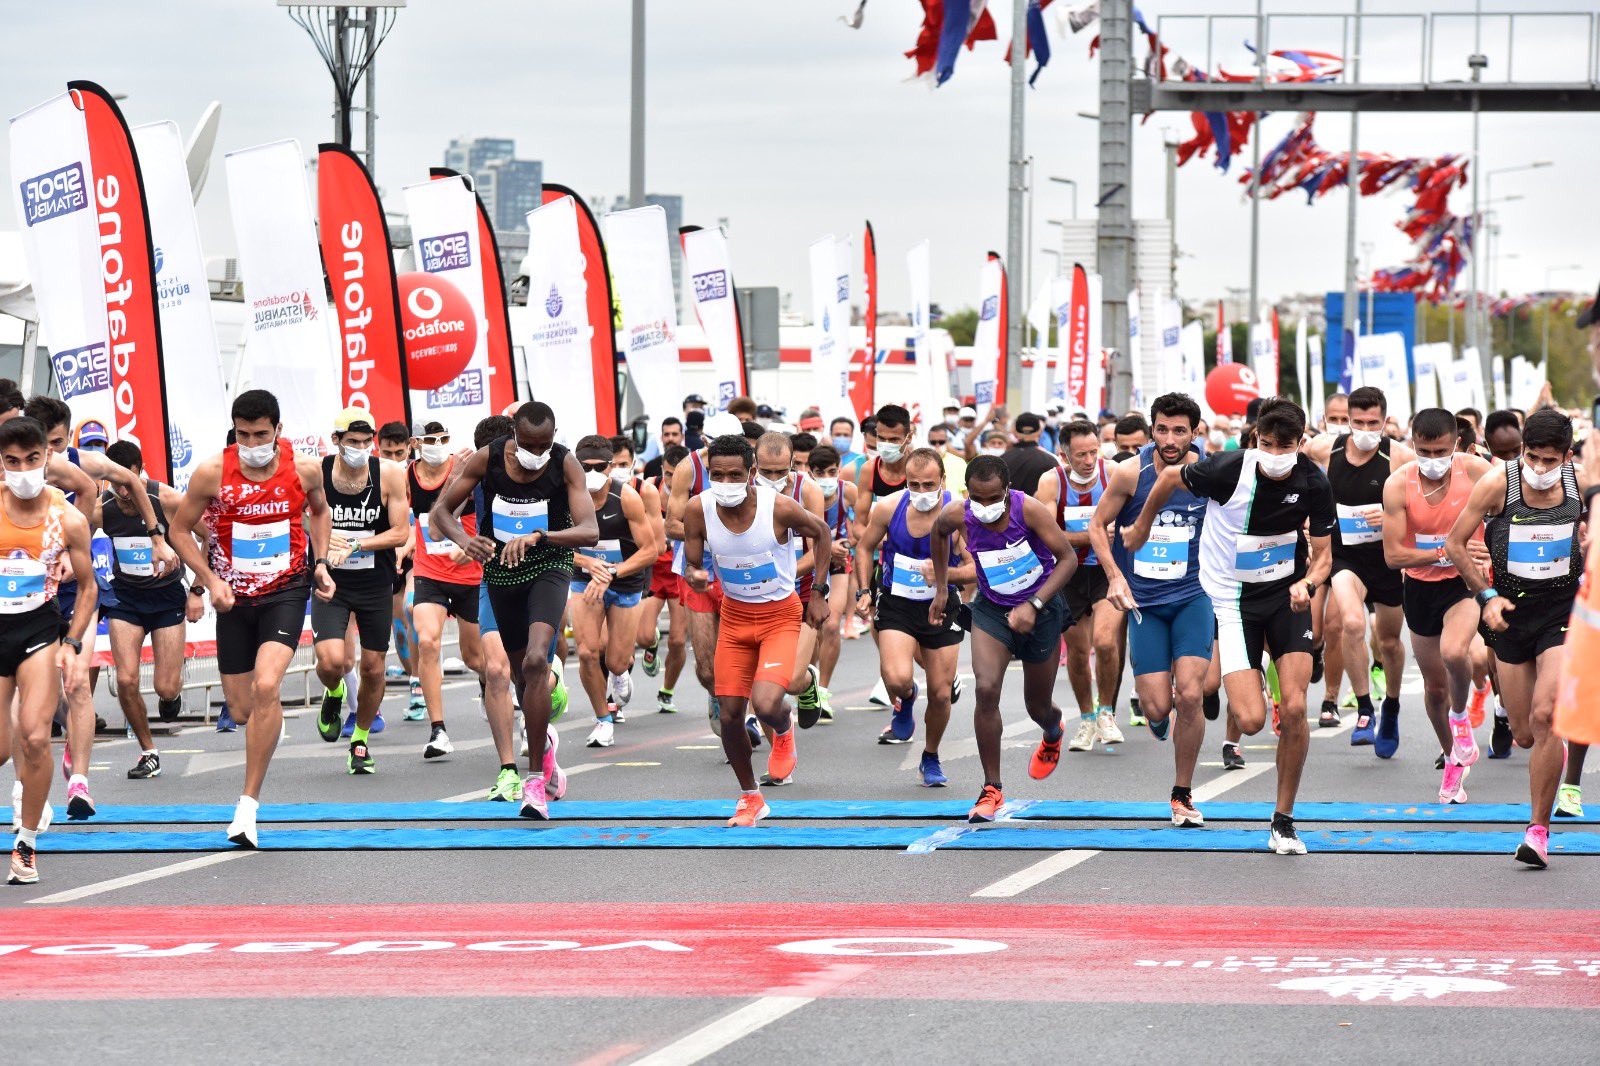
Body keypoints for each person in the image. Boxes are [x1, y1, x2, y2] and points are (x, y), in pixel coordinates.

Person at [1125, 398, 1334, 855]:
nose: (1274, 454)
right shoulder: (1227, 469)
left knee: (1296, 708)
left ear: (1301, 444)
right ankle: (1246, 674)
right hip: (1233, 601)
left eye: (1284, 447)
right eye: (1266, 444)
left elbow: (1324, 556)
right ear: (1255, 439)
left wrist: (1309, 582)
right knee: (1253, 721)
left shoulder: (1314, 480)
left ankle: (1283, 820)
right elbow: (1165, 478)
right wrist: (1141, 528)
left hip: (1286, 598)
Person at [167, 389, 335, 847]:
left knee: (266, 686)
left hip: (285, 589)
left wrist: (319, 563)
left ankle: (246, 808)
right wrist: (207, 579)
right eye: (243, 434)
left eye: (261, 433)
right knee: (243, 710)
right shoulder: (212, 473)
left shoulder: (303, 469)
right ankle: (267, 722)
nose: (252, 442)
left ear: (278, 430)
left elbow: (319, 513)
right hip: (233, 599)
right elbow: (178, 530)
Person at [431, 401, 598, 820]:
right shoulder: (489, 458)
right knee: (524, 675)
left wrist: (544, 536)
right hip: (501, 571)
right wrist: (467, 542)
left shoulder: (566, 463)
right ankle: (545, 754)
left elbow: (590, 530)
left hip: (548, 565)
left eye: (545, 446)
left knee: (539, 660)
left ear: (554, 437)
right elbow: (441, 513)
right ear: (514, 436)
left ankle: (534, 783)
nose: (536, 455)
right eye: (528, 445)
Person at [20, 395, 173, 819]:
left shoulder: (83, 466)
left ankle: (80, 784)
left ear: (67, 439)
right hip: (28, 592)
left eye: (54, 443)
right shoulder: (16, 470)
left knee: (78, 684)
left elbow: (137, 483)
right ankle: (60, 751)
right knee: (43, 696)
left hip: (75, 589)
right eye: (41, 444)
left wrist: (157, 535)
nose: (47, 454)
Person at [1447, 409, 1589, 869]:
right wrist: (1486, 595)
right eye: (1533, 458)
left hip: (1562, 614)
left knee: (1546, 716)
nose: (1540, 469)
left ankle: (1538, 830)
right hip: (1508, 612)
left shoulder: (1581, 486)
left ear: (1566, 456)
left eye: (1550, 460)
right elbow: (1454, 544)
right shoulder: (1498, 482)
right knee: (1527, 733)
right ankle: (1549, 755)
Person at [681, 434, 832, 826]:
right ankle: (751, 797)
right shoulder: (698, 509)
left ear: (750, 473)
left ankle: (783, 730)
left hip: (780, 615)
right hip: (735, 619)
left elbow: (823, 533)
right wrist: (695, 576)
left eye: (735, 474)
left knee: (765, 704)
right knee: (730, 715)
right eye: (717, 475)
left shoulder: (779, 507)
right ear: (708, 473)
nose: (726, 482)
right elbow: (692, 564)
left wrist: (818, 593)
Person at [1092, 392, 1219, 827]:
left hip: (1193, 597)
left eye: (1179, 430)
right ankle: (1156, 713)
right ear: (1151, 430)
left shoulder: (1211, 473)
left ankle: (1182, 793)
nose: (1169, 438)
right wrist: (1114, 575)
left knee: (1190, 694)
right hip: (1145, 603)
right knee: (1157, 708)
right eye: (1162, 429)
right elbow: (1096, 525)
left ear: (1195, 433)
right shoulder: (1131, 473)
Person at [930, 455, 1077, 823]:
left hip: (1041, 609)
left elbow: (1068, 559)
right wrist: (942, 588)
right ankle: (991, 788)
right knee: (986, 688)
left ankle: (1052, 729)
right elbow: (937, 534)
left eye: (993, 498)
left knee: (1037, 706)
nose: (984, 506)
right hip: (992, 609)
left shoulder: (1028, 510)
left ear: (1007, 490)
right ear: (967, 493)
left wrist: (1035, 603)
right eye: (977, 498)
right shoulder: (956, 514)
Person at [1, 416, 97, 885]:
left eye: (31, 460)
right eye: (11, 461)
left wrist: (73, 643)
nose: (22, 470)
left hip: (38, 630)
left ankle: (26, 843)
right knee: (1, 747)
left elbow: (89, 588)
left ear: (47, 459)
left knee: (36, 738)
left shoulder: (68, 518)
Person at [1380, 408, 1493, 803]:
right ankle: (1452, 759)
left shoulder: (1477, 472)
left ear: (1456, 445)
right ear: (1412, 445)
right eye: (1423, 451)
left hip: (1463, 583)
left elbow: (1510, 518)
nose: (1432, 459)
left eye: (1440, 450)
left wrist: (1489, 551)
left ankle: (1461, 717)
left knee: (1455, 650)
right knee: (1433, 688)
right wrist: (1446, 550)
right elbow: (1394, 556)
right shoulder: (1397, 485)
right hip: (1420, 589)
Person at [853, 447, 973, 785]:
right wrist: (863, 591)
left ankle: (930, 756)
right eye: (914, 484)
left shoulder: (959, 514)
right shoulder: (890, 507)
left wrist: (943, 578)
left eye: (928, 485)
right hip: (897, 604)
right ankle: (905, 700)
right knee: (896, 677)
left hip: (942, 604)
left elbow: (973, 567)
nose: (921, 492)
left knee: (941, 693)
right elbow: (864, 547)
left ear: (943, 482)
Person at [1303, 386, 1412, 748]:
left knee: (1390, 642)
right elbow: (1297, 477)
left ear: (1385, 421)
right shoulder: (1324, 449)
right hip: (1345, 556)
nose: (1366, 429)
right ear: (1347, 420)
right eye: (1358, 422)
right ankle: (1365, 708)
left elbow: (1424, 507)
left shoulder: (1400, 456)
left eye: (1374, 423)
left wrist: (1392, 516)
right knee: (1351, 623)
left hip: (1387, 559)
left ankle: (1391, 707)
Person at [308, 408, 410, 774]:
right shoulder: (317, 473)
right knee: (333, 662)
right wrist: (317, 533)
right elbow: (299, 514)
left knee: (373, 667)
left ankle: (360, 740)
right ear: (336, 441)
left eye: (367, 442)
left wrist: (358, 545)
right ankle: (334, 692)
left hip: (374, 583)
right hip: (330, 581)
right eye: (353, 442)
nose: (361, 449)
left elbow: (401, 532)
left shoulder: (390, 475)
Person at [97, 441, 190, 781]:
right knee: (125, 678)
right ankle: (149, 751)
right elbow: (71, 534)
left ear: (139, 472)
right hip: (127, 599)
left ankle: (172, 693)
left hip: (166, 599)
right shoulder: (103, 507)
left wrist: (196, 590)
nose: (122, 491)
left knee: (166, 688)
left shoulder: (165, 499)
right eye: (114, 482)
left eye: (127, 481)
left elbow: (207, 536)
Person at [1037, 419, 1123, 751]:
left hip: (1105, 569)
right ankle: (1086, 719)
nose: (1089, 460)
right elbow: (1047, 535)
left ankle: (1106, 712)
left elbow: (1131, 519)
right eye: (1080, 455)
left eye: (1093, 452)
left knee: (1104, 642)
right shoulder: (1051, 482)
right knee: (1076, 650)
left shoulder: (1112, 473)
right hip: (1068, 572)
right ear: (1063, 454)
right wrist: (1094, 534)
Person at [570, 435, 657, 748]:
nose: (592, 472)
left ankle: (620, 674)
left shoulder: (627, 497)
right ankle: (603, 719)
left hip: (624, 580)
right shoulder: (565, 497)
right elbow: (552, 547)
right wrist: (585, 562)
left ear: (610, 467)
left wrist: (612, 572)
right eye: (585, 467)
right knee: (586, 651)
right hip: (584, 580)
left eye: (599, 467)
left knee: (617, 661)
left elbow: (650, 550)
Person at [405, 420, 486, 760]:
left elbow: (487, 514)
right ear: (415, 443)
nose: (438, 444)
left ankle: (491, 687)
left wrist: (471, 545)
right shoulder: (406, 475)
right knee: (427, 641)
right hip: (430, 573)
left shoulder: (465, 468)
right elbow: (406, 520)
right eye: (430, 439)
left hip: (469, 573)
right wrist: (404, 543)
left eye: (444, 438)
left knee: (474, 658)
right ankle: (438, 729)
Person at [752, 432, 826, 753]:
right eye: (765, 472)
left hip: (802, 591)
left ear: (793, 464)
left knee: (790, 680)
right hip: (759, 597)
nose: (772, 478)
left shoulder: (807, 491)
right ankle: (780, 752)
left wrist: (786, 574)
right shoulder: (741, 493)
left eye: (780, 472)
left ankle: (808, 681)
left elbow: (819, 547)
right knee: (764, 685)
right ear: (754, 466)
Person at [375, 421, 422, 716]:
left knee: (412, 607)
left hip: (417, 554)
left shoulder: (417, 476)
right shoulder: (371, 477)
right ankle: (414, 682)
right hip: (388, 556)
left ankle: (419, 683)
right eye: (386, 453)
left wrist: (409, 542)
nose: (392, 459)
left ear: (410, 448)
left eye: (398, 452)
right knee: (399, 629)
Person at [638, 445, 689, 713]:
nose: (671, 481)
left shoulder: (694, 494)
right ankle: (652, 643)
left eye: (677, 475)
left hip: (680, 571)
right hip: (653, 570)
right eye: (668, 475)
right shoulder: (649, 488)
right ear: (662, 471)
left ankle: (667, 690)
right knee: (644, 635)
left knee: (679, 640)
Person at [808, 444, 856, 721]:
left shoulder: (848, 491)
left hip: (837, 564)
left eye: (831, 471)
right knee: (811, 629)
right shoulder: (803, 493)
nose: (826, 477)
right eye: (819, 472)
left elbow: (857, 533)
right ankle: (809, 681)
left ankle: (823, 691)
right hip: (810, 565)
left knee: (831, 624)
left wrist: (844, 544)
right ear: (810, 472)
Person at [1001, 412, 1059, 495]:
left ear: (1014, 430)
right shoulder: (1050, 460)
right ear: (1040, 431)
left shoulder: (1001, 459)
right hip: (1039, 507)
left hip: (1007, 507)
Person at [924, 423, 968, 497]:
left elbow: (965, 494)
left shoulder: (959, 463)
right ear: (928, 442)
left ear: (947, 441)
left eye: (941, 442)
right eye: (933, 442)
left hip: (954, 506)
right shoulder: (920, 463)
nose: (937, 445)